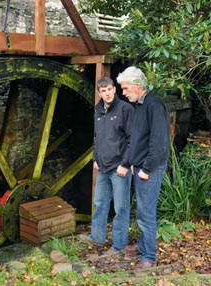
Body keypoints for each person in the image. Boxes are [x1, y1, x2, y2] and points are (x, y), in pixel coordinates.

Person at [116, 66, 170, 269]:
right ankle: (142, 245)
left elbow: (159, 142)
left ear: (138, 86)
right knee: (141, 210)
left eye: (126, 88)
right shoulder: (140, 105)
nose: (124, 92)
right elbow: (138, 139)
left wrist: (146, 169)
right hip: (140, 166)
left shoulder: (154, 105)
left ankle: (148, 257)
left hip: (150, 168)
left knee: (146, 212)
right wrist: (131, 162)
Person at [78, 77, 134, 256]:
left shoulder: (125, 109)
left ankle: (118, 246)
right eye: (103, 91)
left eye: (109, 89)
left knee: (120, 207)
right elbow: (97, 137)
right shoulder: (98, 110)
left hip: (119, 168)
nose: (107, 93)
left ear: (114, 89)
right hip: (103, 166)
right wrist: (96, 157)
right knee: (100, 203)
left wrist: (125, 164)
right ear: (99, 93)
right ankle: (97, 236)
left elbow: (133, 139)